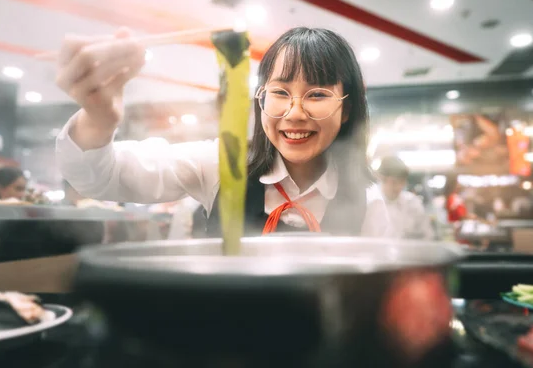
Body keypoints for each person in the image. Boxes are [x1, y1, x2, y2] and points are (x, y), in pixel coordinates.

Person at [54, 27, 390, 237]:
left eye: (317, 94)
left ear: (346, 109)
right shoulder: (222, 165)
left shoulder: (368, 202)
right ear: (261, 99)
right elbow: (102, 177)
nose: (294, 113)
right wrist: (98, 118)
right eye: (280, 92)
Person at [369, 156, 435, 240]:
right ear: (382, 179)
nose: (398, 187)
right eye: (394, 182)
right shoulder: (371, 204)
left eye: (402, 182)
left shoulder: (413, 203)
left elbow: (428, 235)